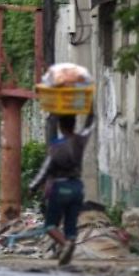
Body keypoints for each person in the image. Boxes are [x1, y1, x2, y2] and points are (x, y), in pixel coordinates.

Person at [29, 114, 93, 266]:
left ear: (60, 127)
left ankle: (65, 245)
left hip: (60, 188)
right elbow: (90, 125)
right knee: (71, 226)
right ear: (74, 123)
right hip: (77, 187)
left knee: (50, 225)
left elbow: (45, 170)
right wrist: (91, 107)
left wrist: (33, 187)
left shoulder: (56, 146)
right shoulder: (81, 141)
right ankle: (66, 251)